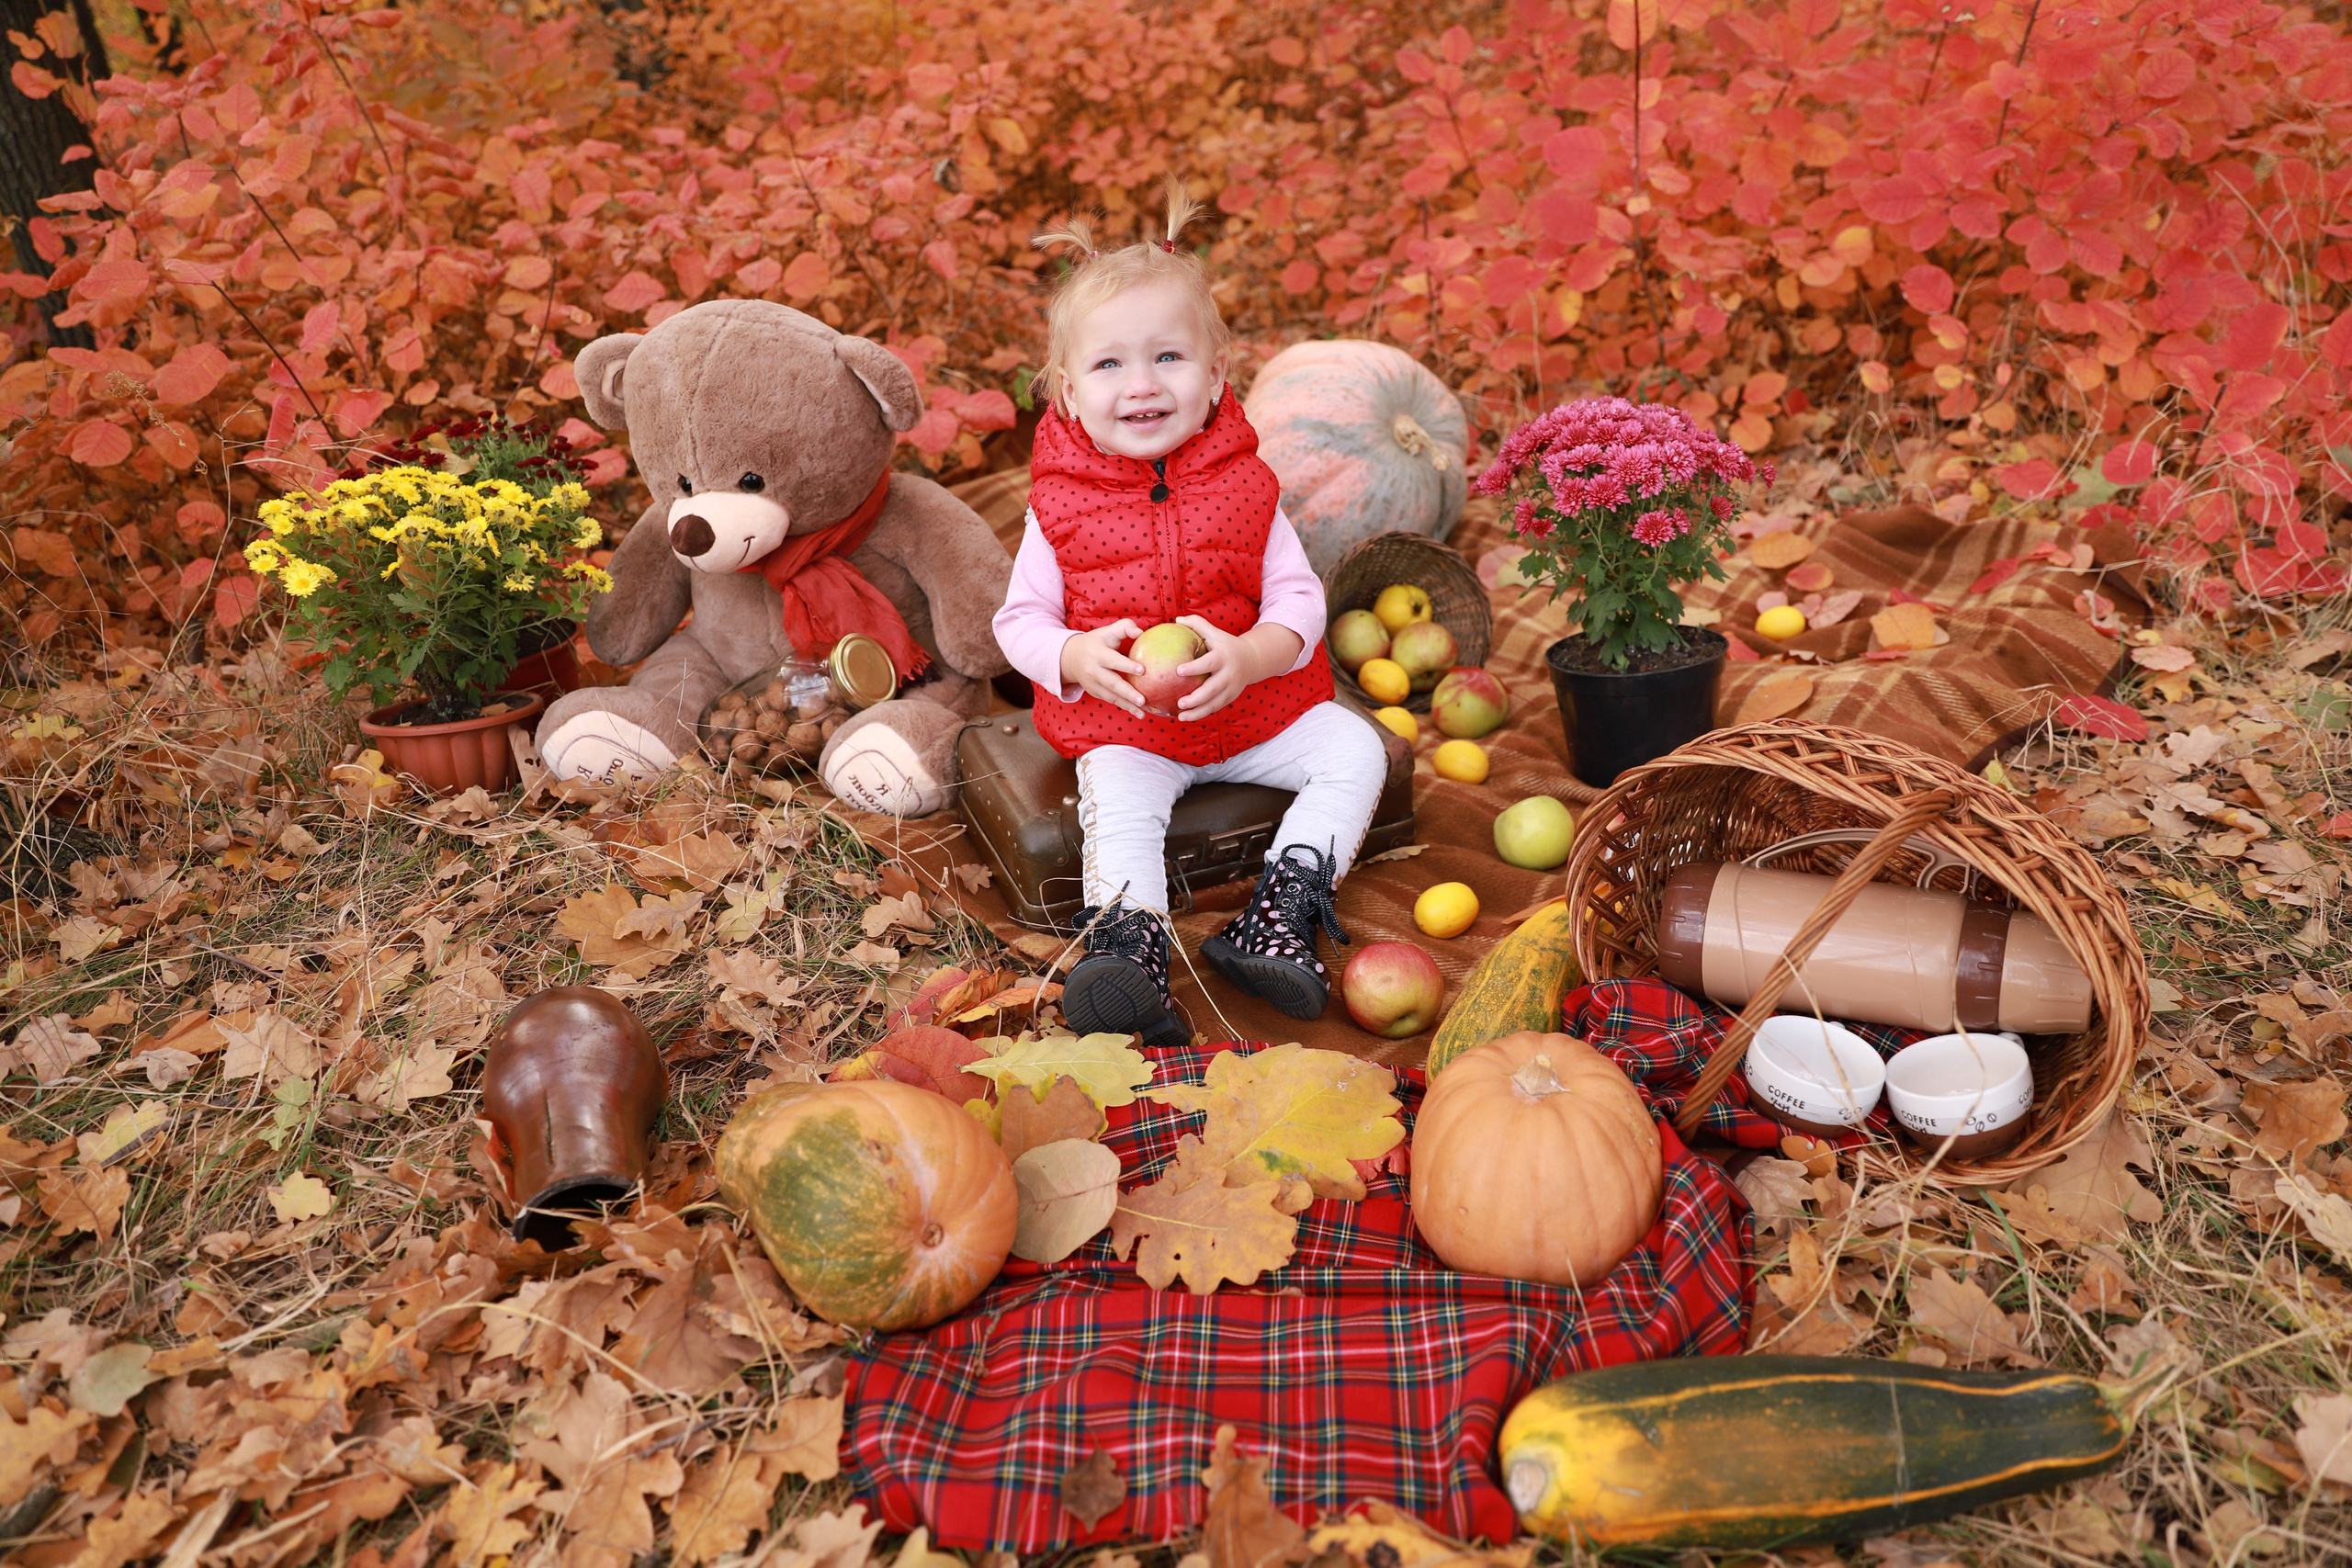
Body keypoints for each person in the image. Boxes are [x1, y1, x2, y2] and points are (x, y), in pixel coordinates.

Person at [992, 183, 1387, 1047]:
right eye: (1109, 365)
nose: (1142, 385)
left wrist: (1251, 657)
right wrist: (1073, 657)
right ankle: (1129, 948)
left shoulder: (1249, 487)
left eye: (1168, 357)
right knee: (1117, 806)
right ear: (1067, 391)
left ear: (1214, 375)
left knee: (1356, 748)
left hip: (1254, 711)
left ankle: (1279, 909)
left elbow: (1299, 597)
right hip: (1129, 724)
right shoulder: (1056, 508)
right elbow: (1018, 622)